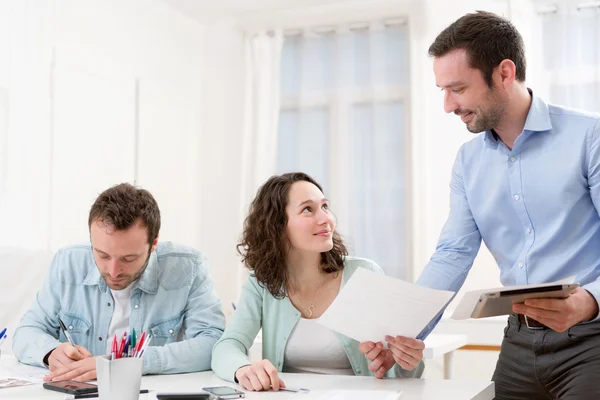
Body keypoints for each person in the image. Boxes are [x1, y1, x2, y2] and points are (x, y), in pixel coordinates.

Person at [381, 10, 600, 400]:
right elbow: (452, 254)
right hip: (519, 343)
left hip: (591, 341)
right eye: (442, 90)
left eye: (458, 89)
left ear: (504, 73)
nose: (448, 105)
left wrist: (591, 300)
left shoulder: (589, 137)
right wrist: (403, 332)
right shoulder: (469, 163)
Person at [211, 172, 425, 392]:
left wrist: (405, 362)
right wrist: (243, 369)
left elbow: (401, 370)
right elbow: (227, 346)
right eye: (308, 209)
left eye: (324, 207)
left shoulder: (362, 274)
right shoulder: (261, 283)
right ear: (276, 225)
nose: (326, 219)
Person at [13, 183, 225, 382]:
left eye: (129, 258)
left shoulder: (189, 267)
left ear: (154, 244)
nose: (113, 271)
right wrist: (51, 352)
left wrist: (133, 363)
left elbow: (212, 343)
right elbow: (26, 331)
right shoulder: (67, 262)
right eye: (103, 255)